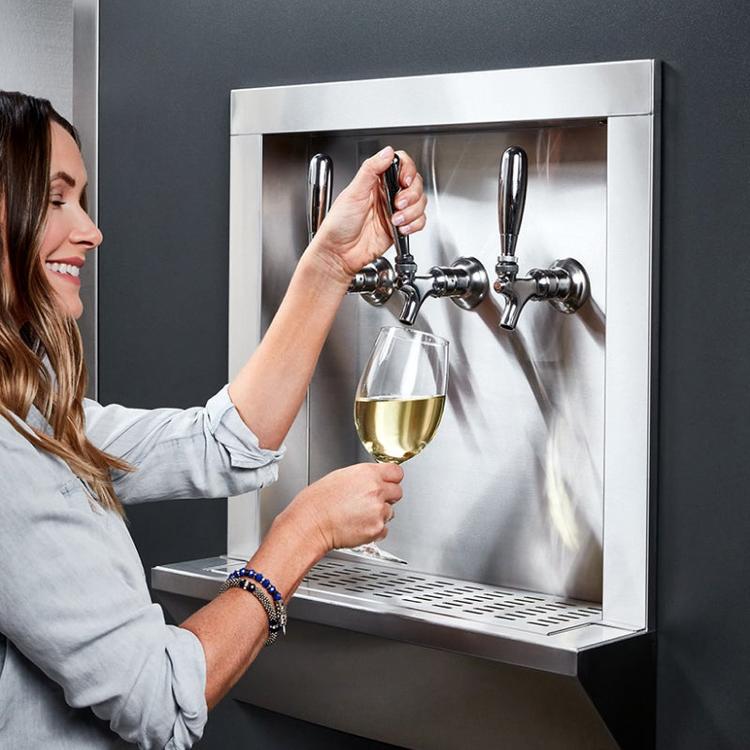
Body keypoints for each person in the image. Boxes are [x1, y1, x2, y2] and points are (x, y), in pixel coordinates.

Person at [0, 91, 427, 749]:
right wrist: (303, 532)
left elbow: (221, 443)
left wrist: (331, 263)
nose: (90, 229)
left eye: (81, 198)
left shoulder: (28, 405)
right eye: (57, 200)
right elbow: (161, 697)